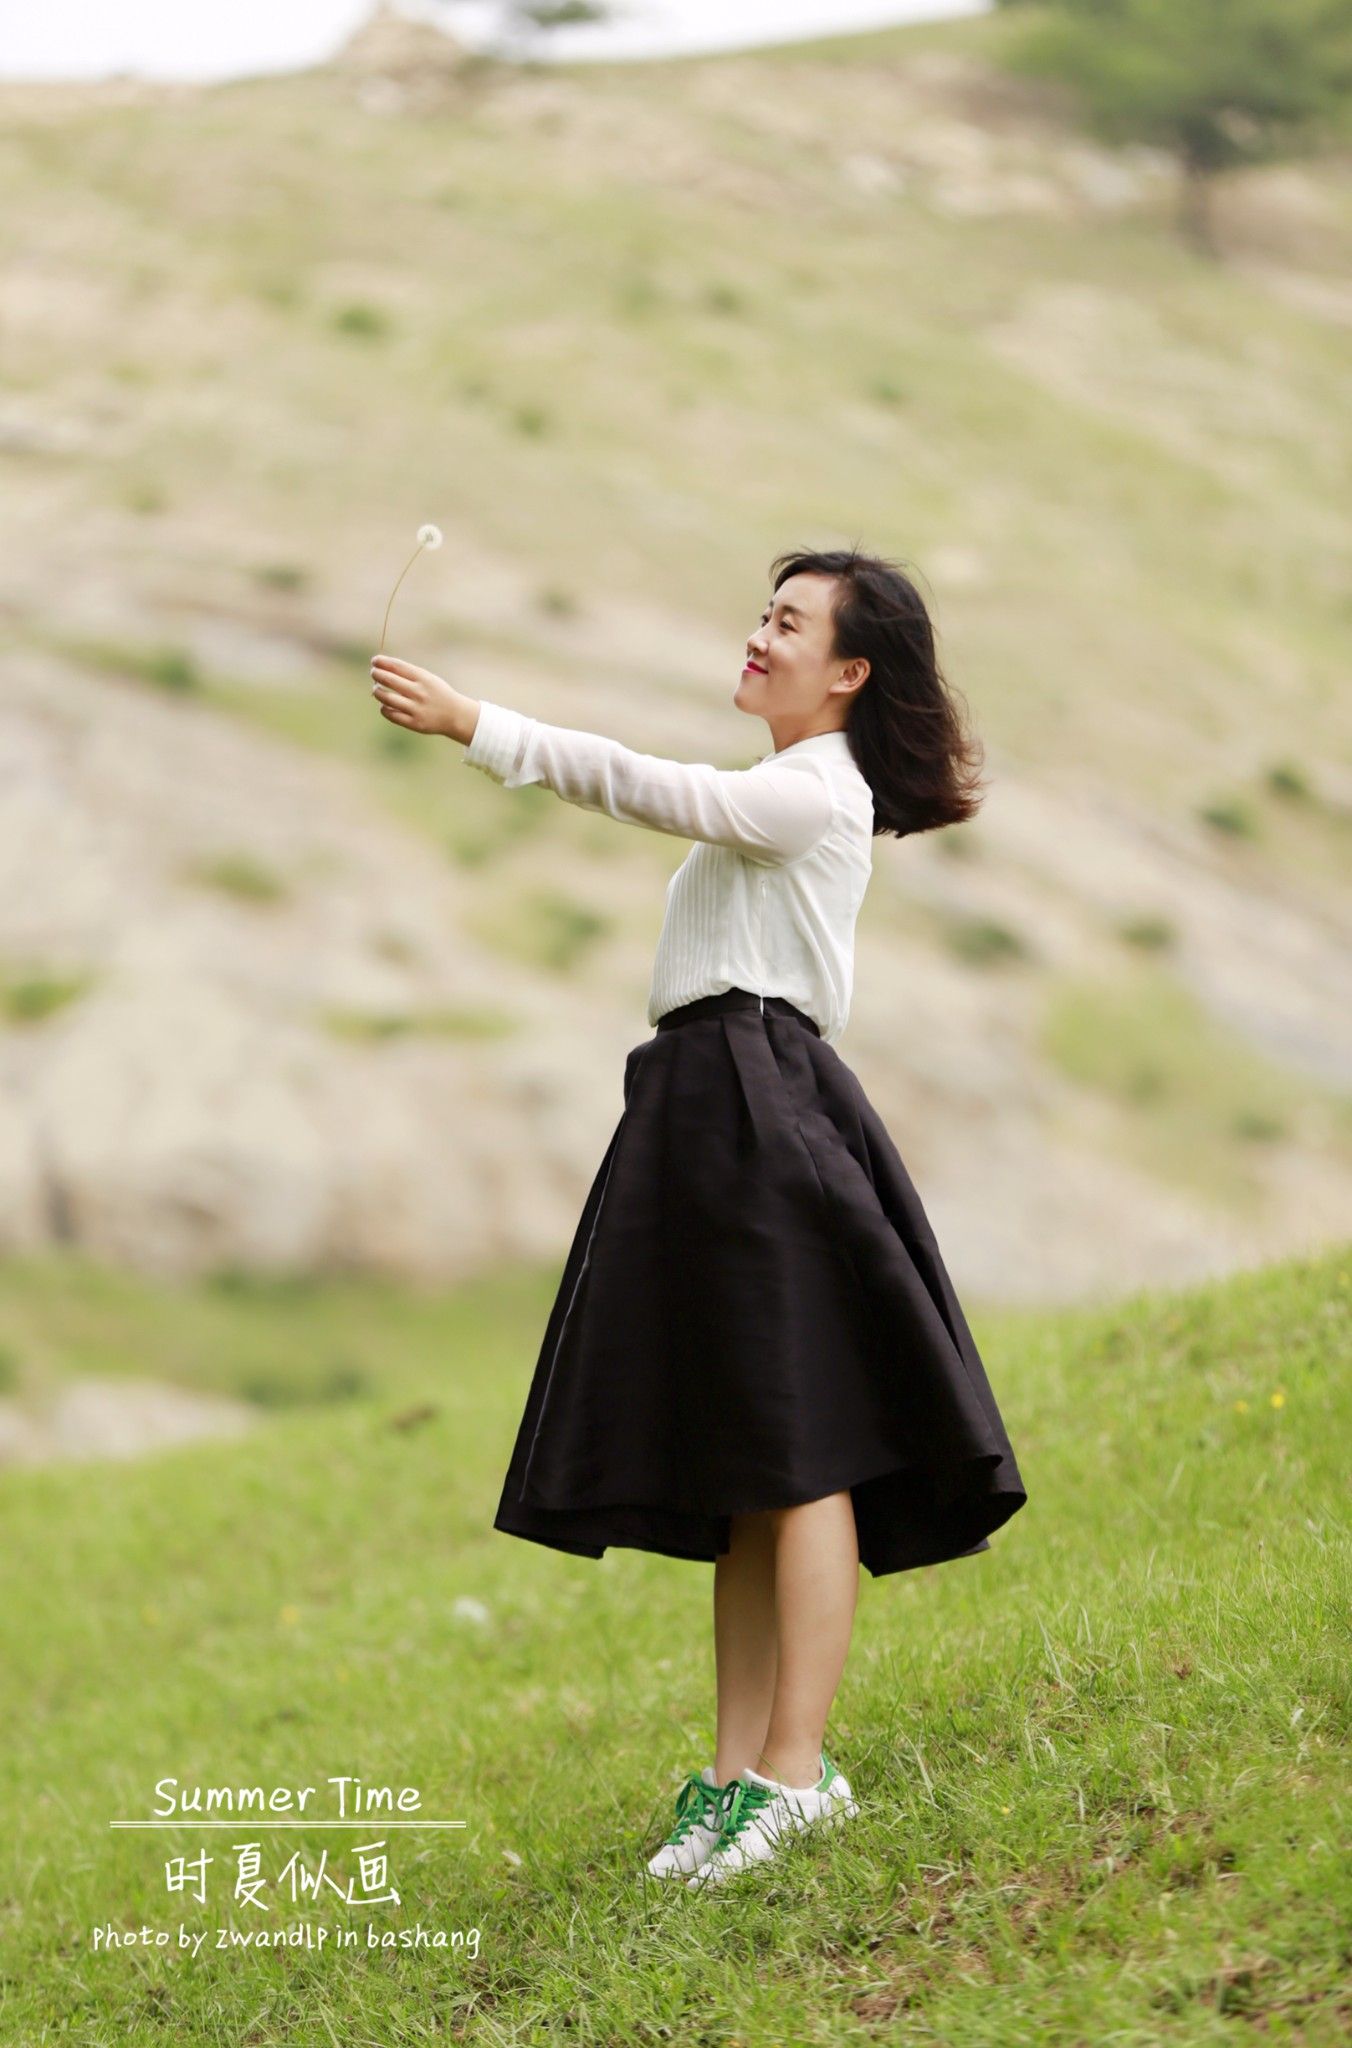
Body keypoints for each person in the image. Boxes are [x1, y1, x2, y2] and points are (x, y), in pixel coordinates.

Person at [369, 542, 1027, 1889]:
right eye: (762, 615)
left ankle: (798, 1775)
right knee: (750, 1469)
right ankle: (732, 1780)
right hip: (704, 1098)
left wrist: (475, 725)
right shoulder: (790, 788)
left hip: (756, 1101)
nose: (758, 638)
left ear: (848, 671)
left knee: (803, 1452)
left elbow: (645, 785)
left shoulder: (807, 791)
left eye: (789, 625)